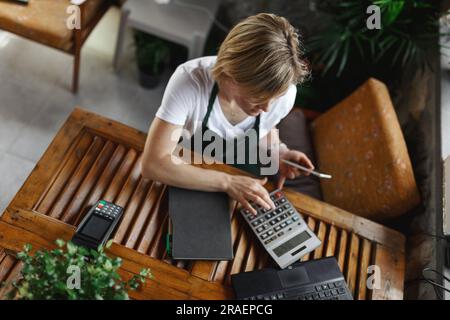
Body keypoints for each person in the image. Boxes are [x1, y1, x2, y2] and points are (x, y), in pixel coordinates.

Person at [141, 13, 314, 215]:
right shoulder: (189, 82)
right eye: (258, 97)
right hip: (194, 170)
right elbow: (153, 163)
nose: (267, 108)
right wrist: (227, 182)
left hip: (245, 176)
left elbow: (266, 128)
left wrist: (279, 153)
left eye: (273, 98)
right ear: (232, 74)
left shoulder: (284, 94)